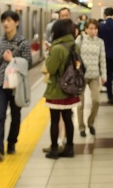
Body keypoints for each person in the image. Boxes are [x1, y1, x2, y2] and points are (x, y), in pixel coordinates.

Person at [0, 10, 31, 162]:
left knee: (16, 116)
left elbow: (28, 64)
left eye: (9, 20)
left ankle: (12, 142)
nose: (5, 23)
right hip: (0, 83)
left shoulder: (23, 43)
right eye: (4, 20)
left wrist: (12, 60)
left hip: (16, 85)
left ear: (16, 23)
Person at [43, 18, 79, 159]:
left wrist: (48, 56)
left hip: (57, 89)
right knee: (68, 118)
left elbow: (51, 68)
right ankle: (69, 148)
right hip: (70, 88)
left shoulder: (57, 48)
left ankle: (54, 149)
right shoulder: (75, 46)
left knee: (54, 120)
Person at [76, 18, 106, 137]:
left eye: (95, 29)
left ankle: (90, 122)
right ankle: (81, 127)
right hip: (81, 76)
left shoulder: (100, 42)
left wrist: (104, 75)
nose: (93, 31)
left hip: (94, 75)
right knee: (80, 104)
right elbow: (75, 55)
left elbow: (102, 59)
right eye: (91, 29)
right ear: (86, 29)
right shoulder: (80, 39)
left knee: (96, 100)